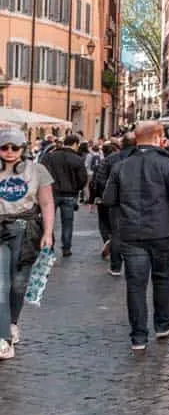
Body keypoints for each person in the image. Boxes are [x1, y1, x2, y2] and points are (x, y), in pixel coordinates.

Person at [102, 121, 169, 351]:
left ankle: (139, 337)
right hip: (163, 232)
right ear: (157, 138)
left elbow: (109, 199)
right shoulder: (168, 164)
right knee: (163, 278)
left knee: (135, 285)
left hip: (131, 234)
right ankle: (162, 325)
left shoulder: (121, 166)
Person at [0, 128, 56, 361]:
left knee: (18, 284)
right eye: (5, 147)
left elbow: (46, 202)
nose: (10, 152)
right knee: (1, 284)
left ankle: (12, 323)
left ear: (23, 149)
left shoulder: (38, 170)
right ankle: (3, 339)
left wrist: (48, 233)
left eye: (15, 147)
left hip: (25, 230)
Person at [93, 134, 136, 275]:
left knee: (116, 234)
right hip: (137, 201)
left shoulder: (110, 159)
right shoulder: (141, 159)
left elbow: (100, 179)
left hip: (116, 201)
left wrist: (106, 194)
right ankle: (135, 265)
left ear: (121, 144)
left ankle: (116, 266)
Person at [41, 133, 88, 258]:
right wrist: (76, 189)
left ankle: (49, 245)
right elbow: (82, 179)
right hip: (69, 194)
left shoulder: (50, 156)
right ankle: (66, 248)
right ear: (75, 144)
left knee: (48, 221)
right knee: (67, 222)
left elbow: (42, 172)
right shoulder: (77, 159)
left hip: (51, 193)